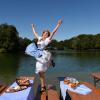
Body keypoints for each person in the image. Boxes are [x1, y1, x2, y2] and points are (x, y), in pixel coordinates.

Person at [26, 19, 62, 93]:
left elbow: (53, 32)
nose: (46, 34)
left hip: (43, 54)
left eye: (47, 33)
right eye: (45, 33)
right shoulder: (39, 38)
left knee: (41, 70)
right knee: (40, 71)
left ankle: (43, 86)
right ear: (42, 34)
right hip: (38, 54)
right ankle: (43, 85)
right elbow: (35, 33)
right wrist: (33, 27)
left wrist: (58, 25)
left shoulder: (48, 39)